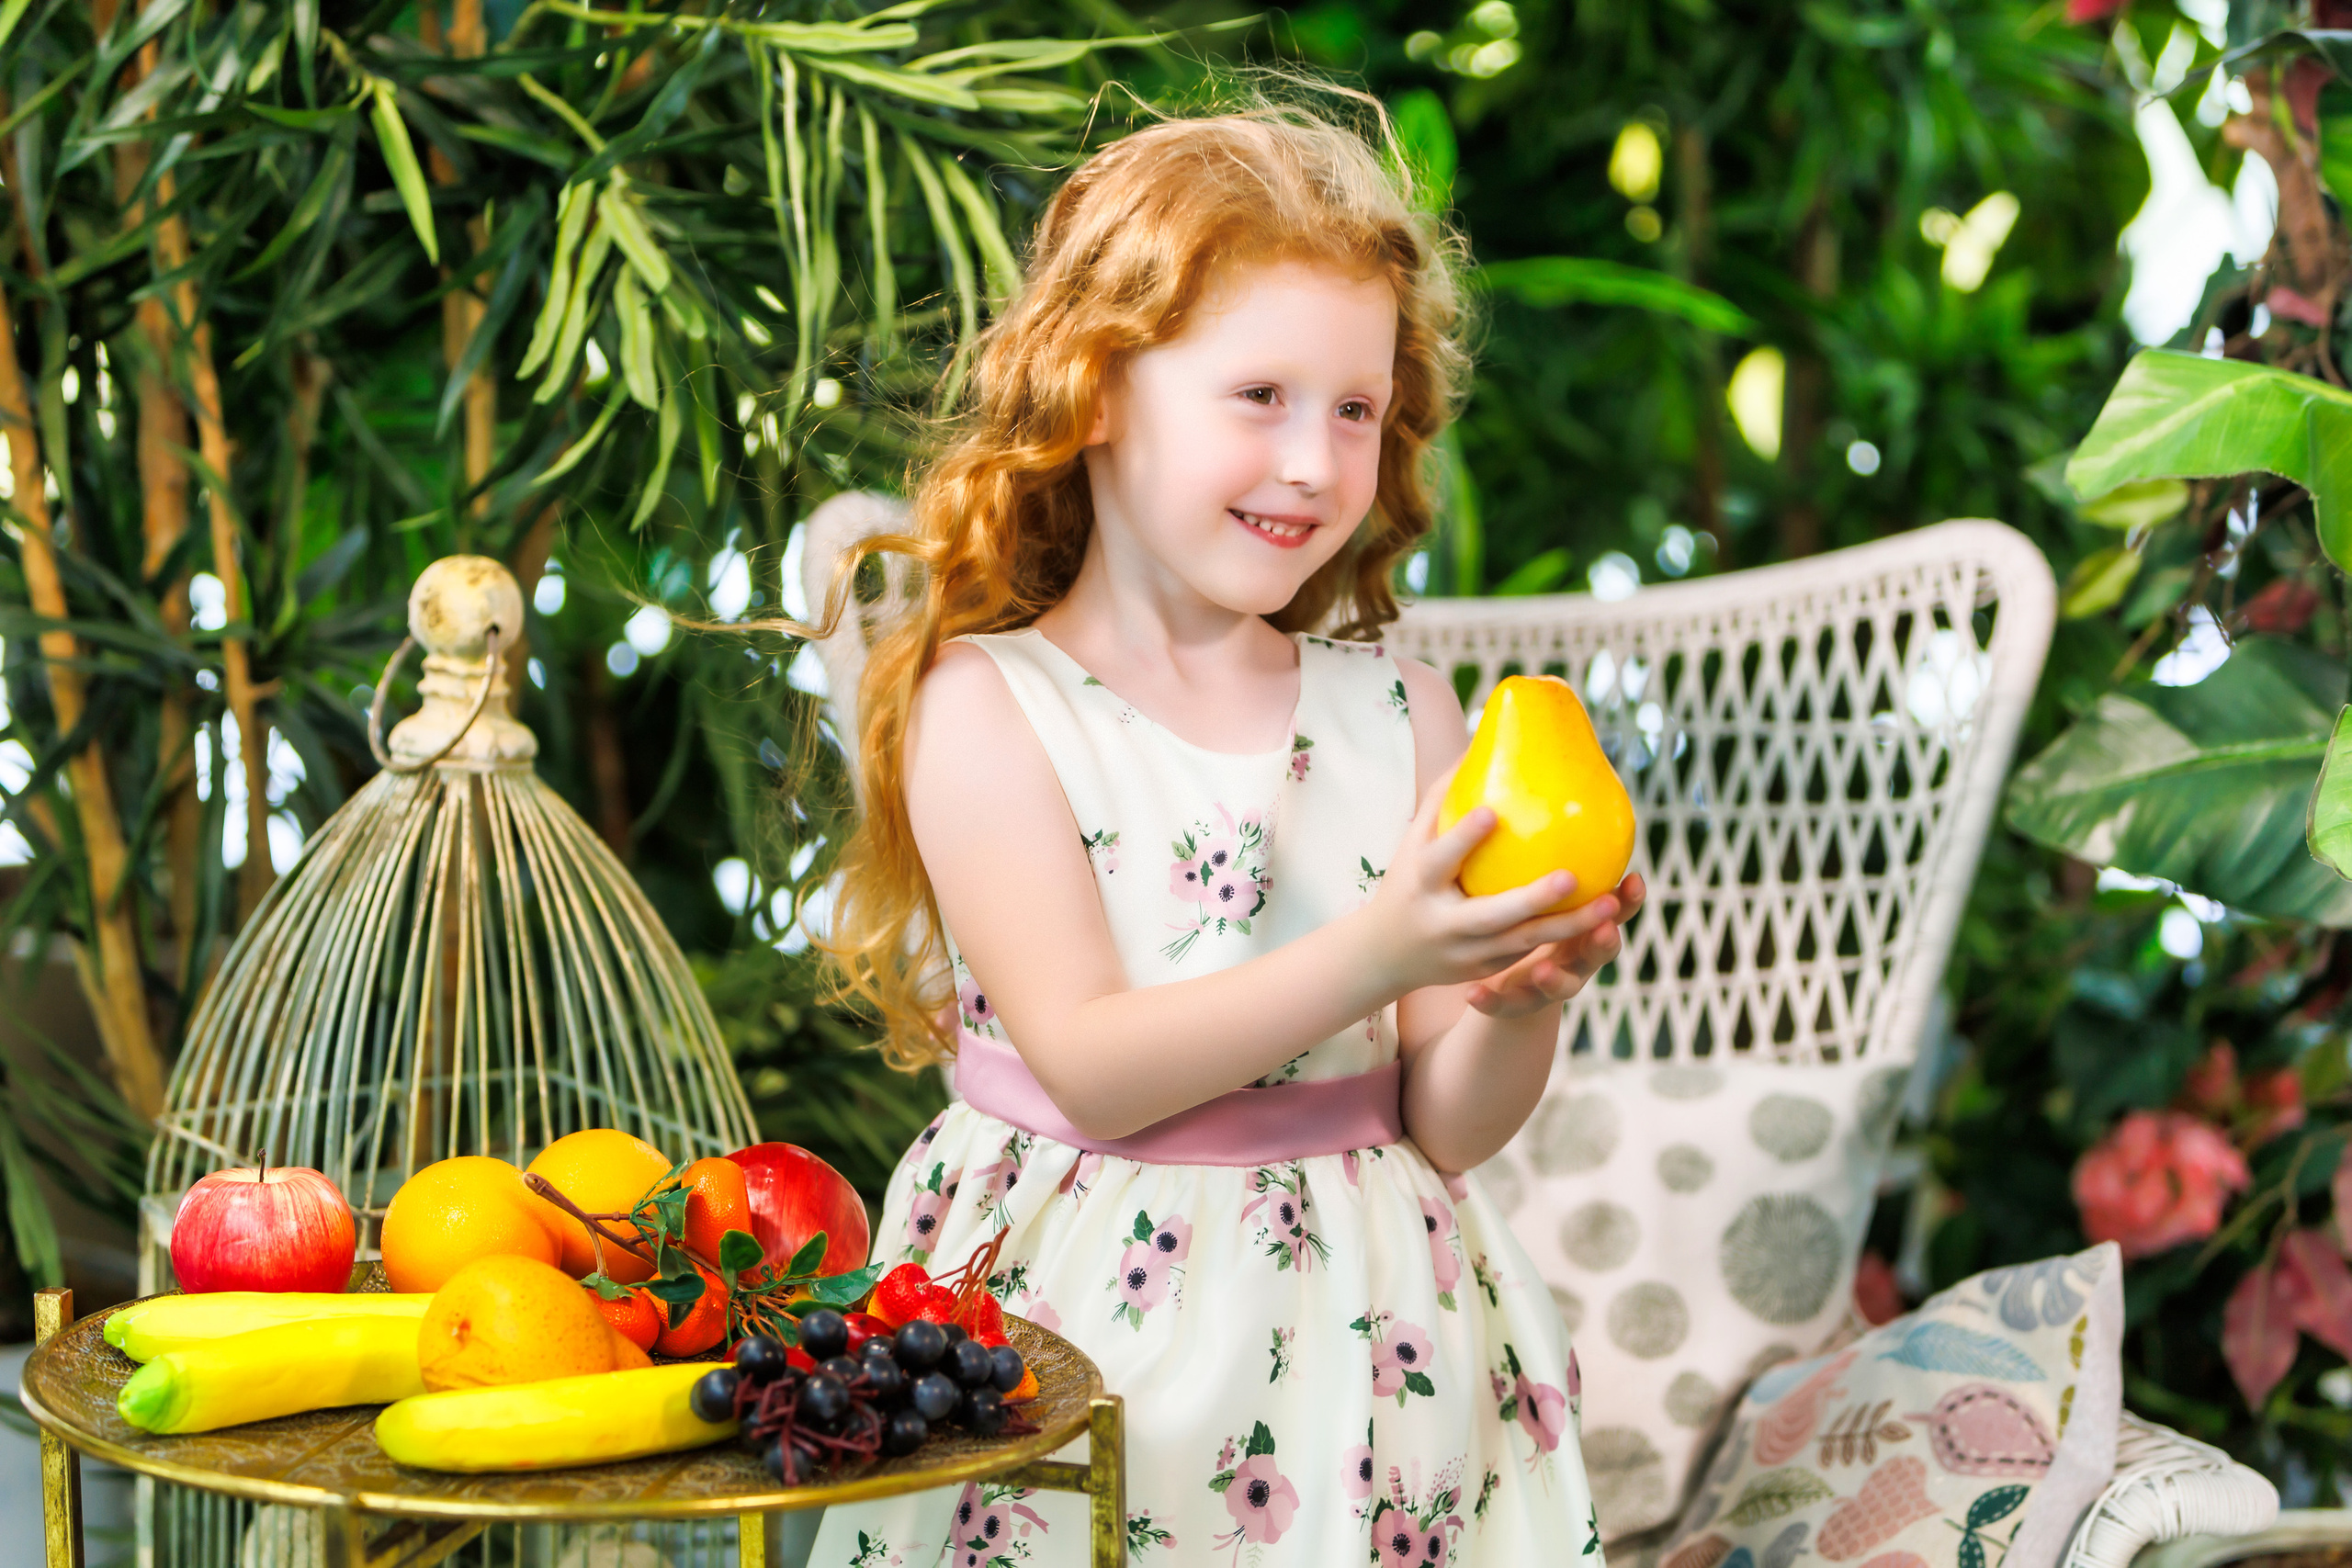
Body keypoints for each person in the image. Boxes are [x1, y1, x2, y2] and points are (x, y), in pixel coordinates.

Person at [805, 96, 1645, 1568]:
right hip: (1072, 1354)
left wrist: (1522, 1004)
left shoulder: (1405, 718)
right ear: (1102, 387)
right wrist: (1387, 947)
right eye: (1259, 396)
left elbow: (1445, 1122)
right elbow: (1099, 1068)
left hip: (1372, 1356)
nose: (1315, 463)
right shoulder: (986, 707)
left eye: (1357, 409)